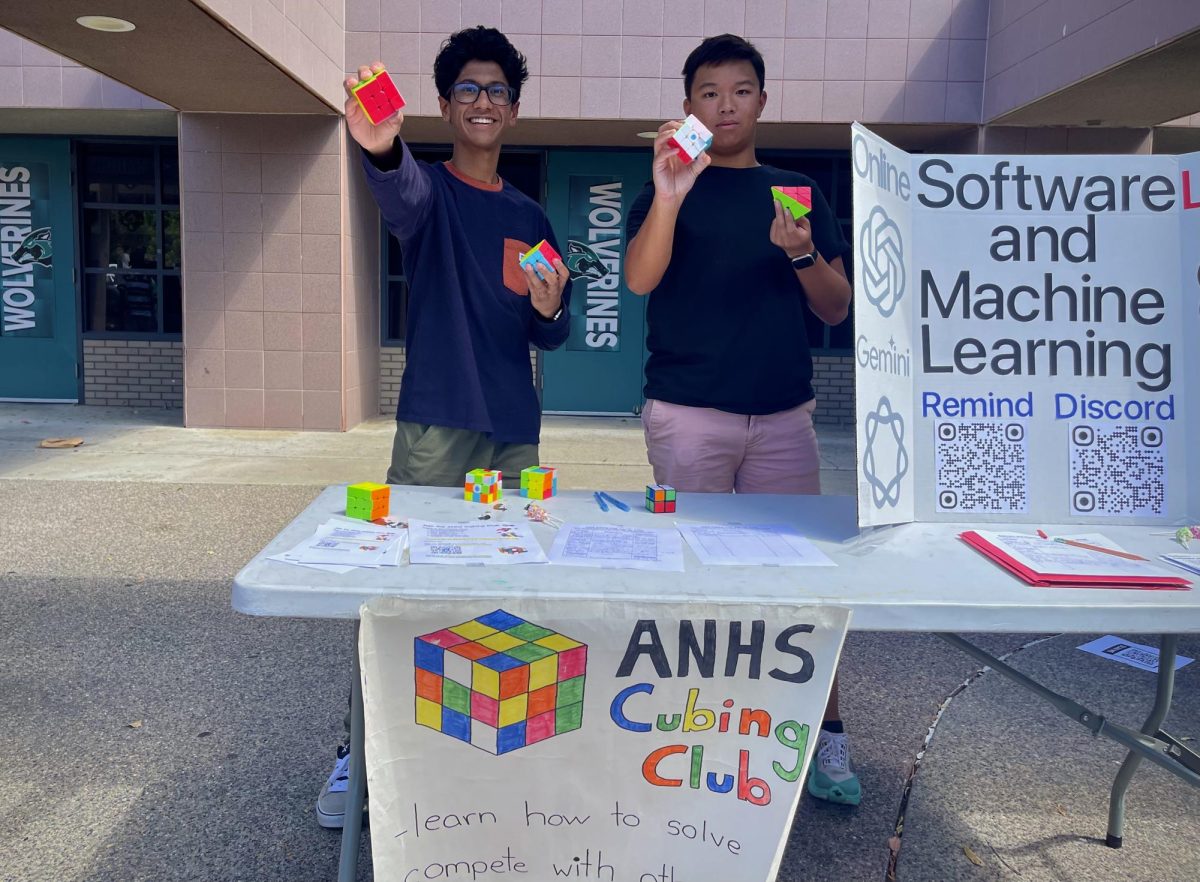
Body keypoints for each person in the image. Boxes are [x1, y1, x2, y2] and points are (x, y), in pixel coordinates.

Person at [318, 26, 571, 829]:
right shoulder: (427, 192)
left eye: (497, 90)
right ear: (444, 105)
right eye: (468, 89)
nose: (483, 102)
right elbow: (400, 195)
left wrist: (549, 304)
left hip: (514, 434)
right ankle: (354, 752)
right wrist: (381, 150)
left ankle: (479, 749)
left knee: (506, 591)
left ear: (516, 109)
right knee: (399, 589)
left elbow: (551, 332)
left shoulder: (531, 214)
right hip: (437, 425)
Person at [624, 34, 859, 805]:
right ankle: (697, 733)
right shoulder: (672, 181)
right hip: (688, 415)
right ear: (688, 105)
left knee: (798, 586)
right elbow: (639, 279)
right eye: (709, 93)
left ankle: (823, 733)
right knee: (690, 579)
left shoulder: (793, 189)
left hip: (784, 419)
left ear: (764, 98)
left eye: (741, 90)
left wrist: (799, 253)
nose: (726, 105)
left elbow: (836, 304)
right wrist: (668, 193)